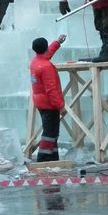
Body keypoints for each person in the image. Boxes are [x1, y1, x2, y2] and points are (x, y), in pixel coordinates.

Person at [30, 34, 67, 162]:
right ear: (45, 48)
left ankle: (52, 158)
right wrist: (61, 106)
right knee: (50, 133)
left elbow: (47, 54)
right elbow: (51, 90)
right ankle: (43, 159)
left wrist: (57, 42)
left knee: (51, 131)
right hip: (49, 104)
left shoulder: (36, 62)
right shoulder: (46, 67)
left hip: (40, 103)